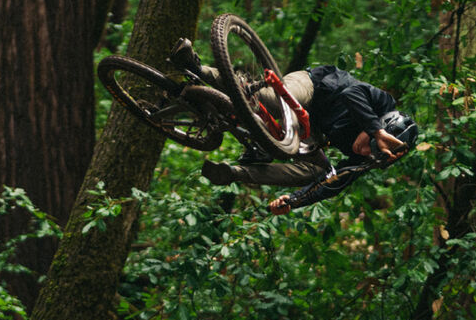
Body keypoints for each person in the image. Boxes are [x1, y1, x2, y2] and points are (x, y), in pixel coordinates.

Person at [170, 39, 418, 214]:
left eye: (370, 154)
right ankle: (196, 66)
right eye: (370, 145)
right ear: (383, 126)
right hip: (312, 87)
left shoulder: (367, 157)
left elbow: (334, 182)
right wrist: (376, 130)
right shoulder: (383, 104)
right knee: (275, 102)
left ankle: (233, 173)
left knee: (315, 170)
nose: (363, 152)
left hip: (312, 125)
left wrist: (295, 200)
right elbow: (352, 94)